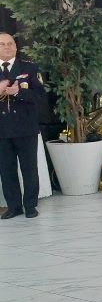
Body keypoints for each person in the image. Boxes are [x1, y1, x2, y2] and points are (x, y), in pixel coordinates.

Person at [0, 32, 45, 220]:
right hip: (2, 130)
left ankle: (30, 205)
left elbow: (40, 97)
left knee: (29, 169)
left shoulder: (29, 68)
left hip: (25, 127)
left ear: (16, 46)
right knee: (6, 170)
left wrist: (18, 93)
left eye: (10, 43)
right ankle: (14, 207)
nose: (7, 47)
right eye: (2, 44)